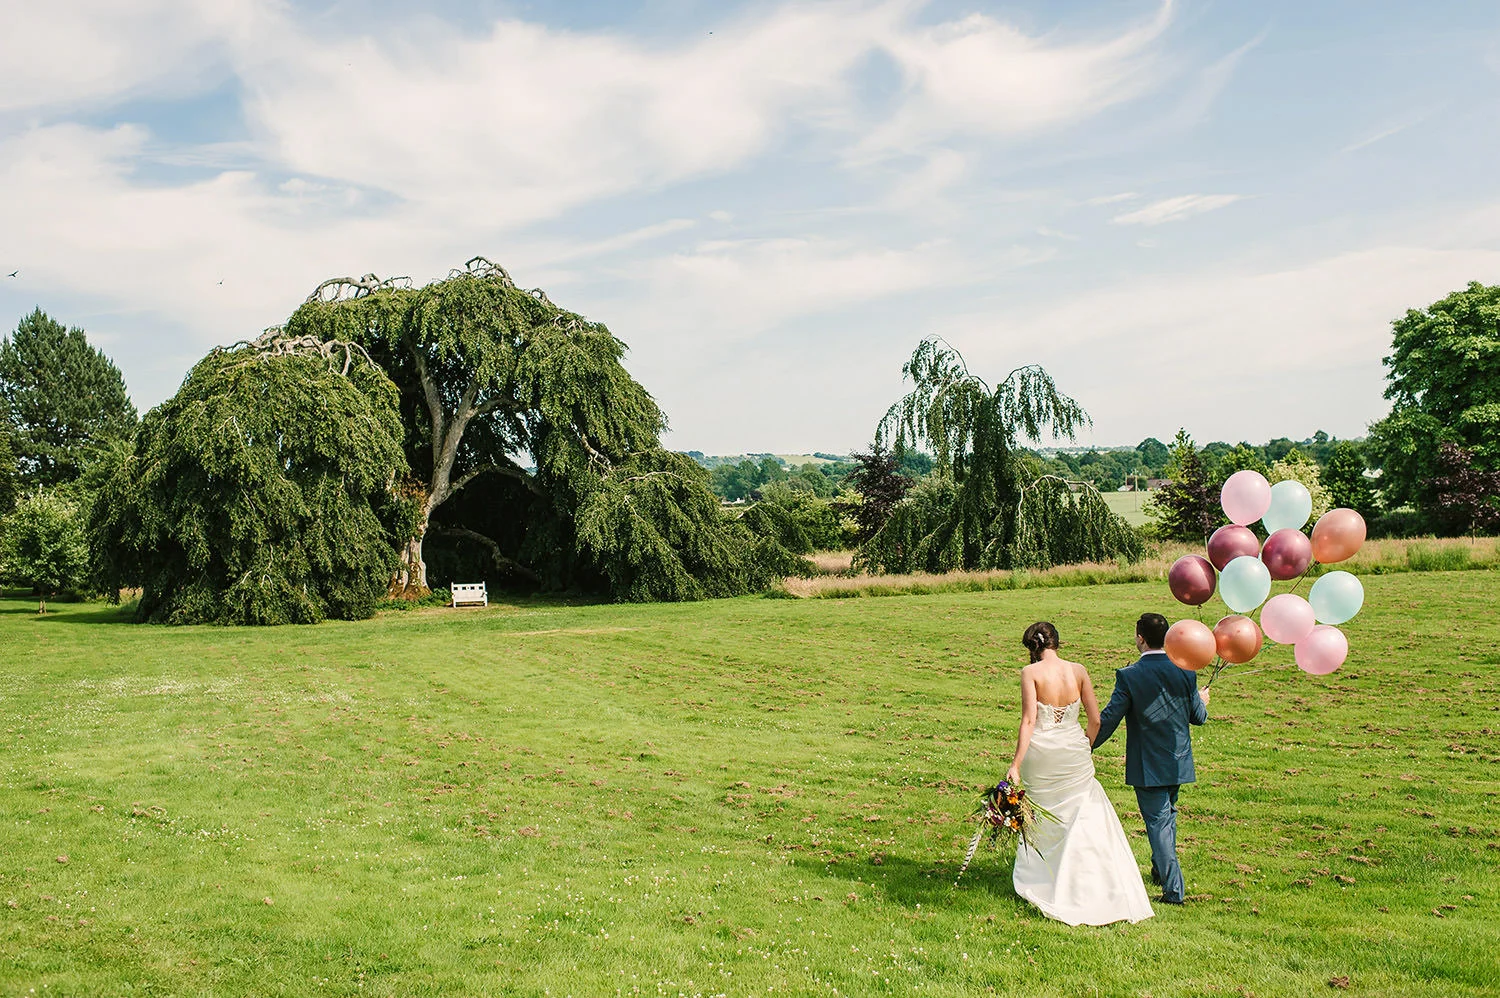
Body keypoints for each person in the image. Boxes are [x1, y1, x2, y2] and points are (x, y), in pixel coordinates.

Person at [1005, 621, 1154, 926]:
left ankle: (1049, 878)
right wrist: (1083, 744)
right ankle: (1096, 880)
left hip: (1043, 754)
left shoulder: (1029, 673)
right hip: (1074, 752)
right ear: (1057, 642)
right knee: (1083, 811)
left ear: (1032, 648)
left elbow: (1029, 721)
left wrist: (1016, 764)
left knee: (1048, 816)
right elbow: (1096, 720)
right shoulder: (1079, 670)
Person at [1091, 612, 1211, 906]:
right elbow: (1199, 717)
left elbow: (1109, 719)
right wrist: (1201, 700)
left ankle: (1174, 891)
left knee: (1159, 823)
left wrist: (1085, 745)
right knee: (1168, 817)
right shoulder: (1186, 670)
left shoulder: (1130, 676)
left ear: (1140, 638)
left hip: (1148, 765)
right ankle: (1159, 870)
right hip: (1179, 759)